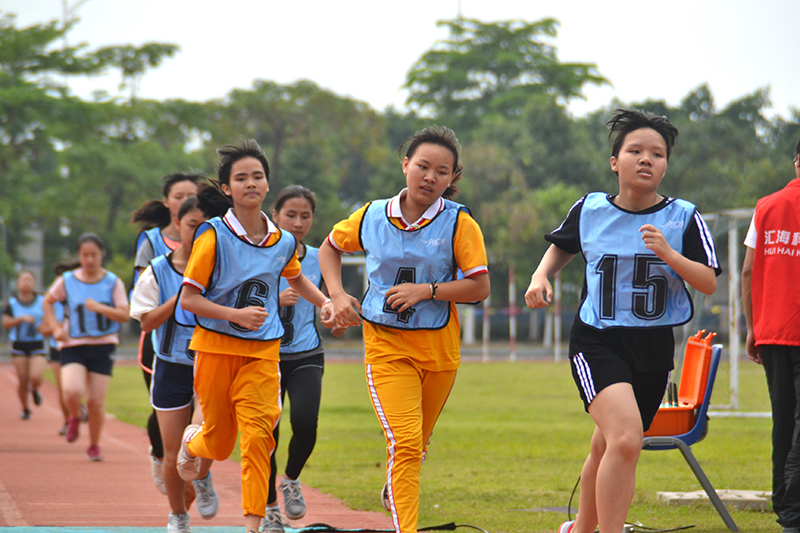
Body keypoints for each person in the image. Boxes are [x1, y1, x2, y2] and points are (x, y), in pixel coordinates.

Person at [524, 109, 721, 533]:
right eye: (635, 151)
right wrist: (541, 276)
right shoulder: (590, 208)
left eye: (657, 154)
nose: (646, 159)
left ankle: (580, 529)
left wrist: (668, 254)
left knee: (607, 444)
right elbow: (563, 245)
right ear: (615, 162)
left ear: (666, 165)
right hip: (598, 340)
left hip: (653, 348)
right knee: (627, 439)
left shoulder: (684, 216)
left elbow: (707, 282)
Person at [319, 126, 490, 533]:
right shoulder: (370, 215)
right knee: (406, 443)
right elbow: (329, 247)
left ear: (452, 178)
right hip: (386, 347)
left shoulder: (460, 223)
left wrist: (427, 290)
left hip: (440, 352)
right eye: (423, 166)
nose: (430, 177)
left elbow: (479, 287)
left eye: (442, 171)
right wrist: (337, 295)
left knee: (416, 446)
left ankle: (395, 484)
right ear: (405, 165)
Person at [175, 139, 335, 533]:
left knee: (259, 438)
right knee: (218, 443)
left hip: (263, 351)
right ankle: (192, 441)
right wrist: (235, 315)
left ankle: (254, 525)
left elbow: (296, 277)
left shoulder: (283, 241)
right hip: (215, 348)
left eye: (258, 176)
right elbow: (189, 298)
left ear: (266, 184)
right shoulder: (213, 235)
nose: (251, 183)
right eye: (241, 177)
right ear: (227, 188)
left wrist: (325, 303)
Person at [130, 194, 220, 533]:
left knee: (201, 437)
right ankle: (178, 514)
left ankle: (204, 476)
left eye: (206, 228)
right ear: (178, 224)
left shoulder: (222, 270)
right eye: (192, 225)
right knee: (172, 454)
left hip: (210, 363)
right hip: (171, 366)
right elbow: (146, 322)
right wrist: (180, 297)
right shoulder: (158, 269)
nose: (199, 234)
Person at [262, 185, 347, 533]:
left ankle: (291, 479)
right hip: (264, 356)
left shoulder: (317, 259)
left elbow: (329, 304)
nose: (298, 223)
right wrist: (275, 300)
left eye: (305, 216)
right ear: (275, 215)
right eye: (290, 215)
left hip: (306, 353)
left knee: (306, 423)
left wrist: (336, 319)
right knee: (266, 435)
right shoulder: (258, 255)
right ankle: (269, 509)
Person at [741, 137, 800, 533]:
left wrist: (752, 326)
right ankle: (794, 513)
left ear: (797, 161)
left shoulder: (766, 206)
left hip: (774, 331)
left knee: (784, 419)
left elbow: (748, 270)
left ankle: (784, 504)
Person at [132, 173, 201, 493]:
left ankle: (195, 470)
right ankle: (161, 455)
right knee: (164, 410)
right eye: (178, 195)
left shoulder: (212, 241)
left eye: (190, 194)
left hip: (202, 343)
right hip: (160, 341)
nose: (184, 199)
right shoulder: (151, 242)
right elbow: (143, 295)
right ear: (167, 203)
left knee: (199, 414)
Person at [43, 233, 130, 461]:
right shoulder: (67, 280)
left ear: (102, 255)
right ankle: (75, 415)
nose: (89, 259)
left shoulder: (113, 282)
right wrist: (56, 328)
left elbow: (124, 314)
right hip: (73, 345)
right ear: (79, 256)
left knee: (95, 402)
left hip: (103, 346)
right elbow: (48, 301)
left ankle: (94, 445)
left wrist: (101, 308)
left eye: (94, 254)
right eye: (85, 255)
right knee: (72, 391)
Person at [3, 270, 47, 420]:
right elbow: (6, 323)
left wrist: (43, 327)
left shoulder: (42, 301)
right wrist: (21, 319)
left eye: (29, 280)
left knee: (35, 376)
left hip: (37, 343)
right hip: (19, 344)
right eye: (23, 280)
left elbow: (49, 318)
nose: (26, 283)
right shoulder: (11, 303)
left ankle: (35, 389)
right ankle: (25, 408)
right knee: (23, 379)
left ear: (34, 283)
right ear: (18, 283)